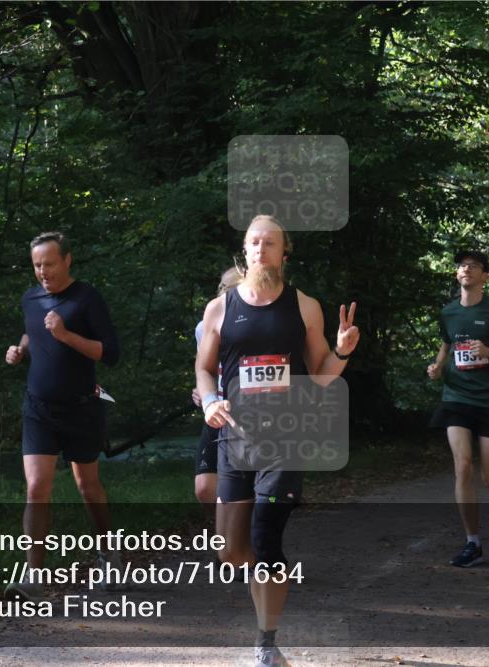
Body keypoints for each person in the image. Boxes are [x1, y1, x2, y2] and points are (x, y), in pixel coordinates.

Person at [196, 215, 359, 667]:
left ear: (284, 252)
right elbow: (204, 367)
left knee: (266, 536)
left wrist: (342, 351)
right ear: (244, 250)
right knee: (231, 550)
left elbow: (321, 375)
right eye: (254, 242)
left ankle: (266, 645)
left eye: (270, 243)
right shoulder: (220, 308)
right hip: (236, 438)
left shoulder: (304, 306)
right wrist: (209, 400)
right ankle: (266, 582)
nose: (261, 249)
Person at [3, 231, 121, 599]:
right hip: (38, 409)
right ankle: (34, 576)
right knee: (36, 487)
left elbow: (111, 353)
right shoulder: (31, 298)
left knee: (88, 487)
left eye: (49, 264)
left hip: (81, 408)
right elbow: (31, 331)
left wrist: (66, 335)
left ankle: (109, 556)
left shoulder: (87, 298)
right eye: (37, 265)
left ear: (67, 260)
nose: (43, 271)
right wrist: (20, 349)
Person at [427, 250, 489, 568]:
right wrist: (437, 366)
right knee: (463, 466)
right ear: (457, 274)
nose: (466, 269)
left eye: (473, 266)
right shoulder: (448, 312)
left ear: (484, 276)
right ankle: (473, 543)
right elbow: (447, 344)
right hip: (456, 397)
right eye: (461, 265)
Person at [191, 267, 243, 513]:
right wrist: (203, 393)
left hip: (251, 413)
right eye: (223, 289)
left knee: (245, 490)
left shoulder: (259, 325)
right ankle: (231, 528)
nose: (226, 295)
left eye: (233, 290)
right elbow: (206, 368)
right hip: (218, 411)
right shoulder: (204, 327)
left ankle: (245, 530)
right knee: (204, 489)